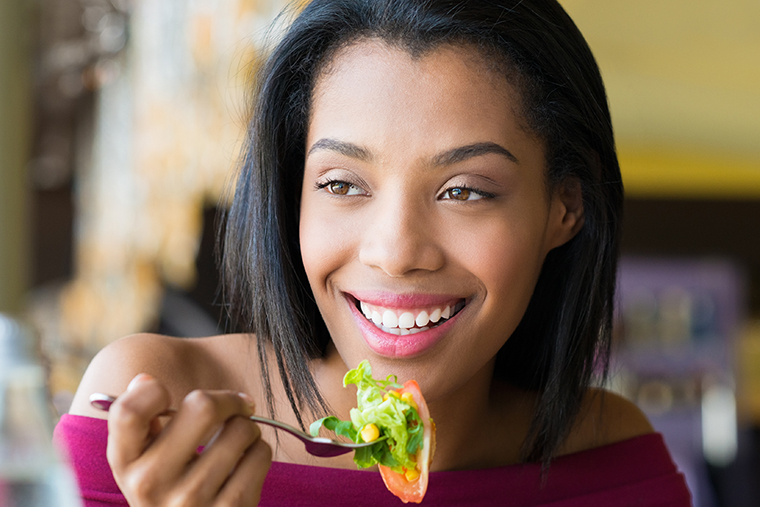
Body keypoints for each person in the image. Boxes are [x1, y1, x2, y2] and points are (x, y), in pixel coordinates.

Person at [55, 0, 692, 505]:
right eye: (341, 184)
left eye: (463, 191)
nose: (394, 252)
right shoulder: (146, 419)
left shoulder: (613, 467)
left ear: (565, 209)